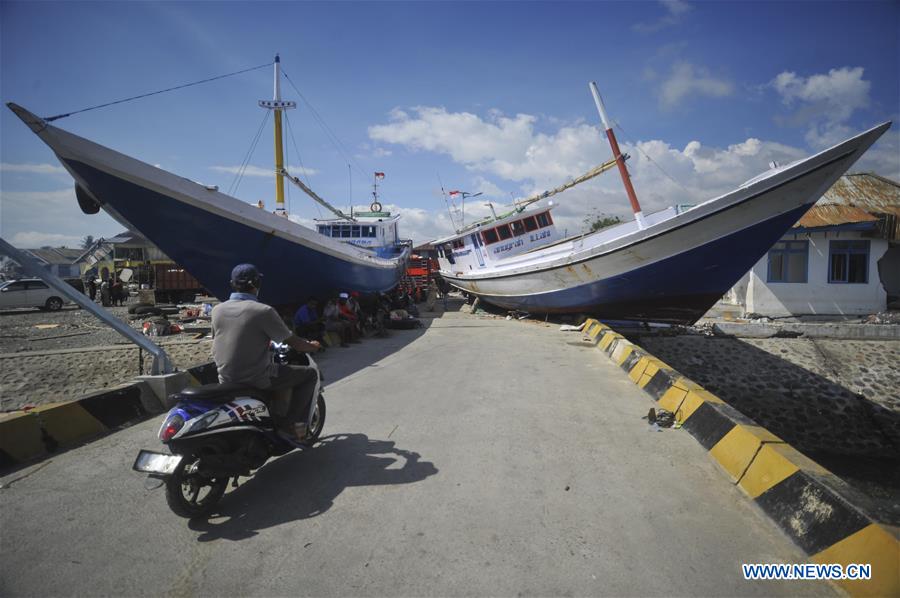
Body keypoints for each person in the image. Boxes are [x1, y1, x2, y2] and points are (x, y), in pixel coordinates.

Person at [211, 264, 321, 441]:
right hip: (256, 378)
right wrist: (312, 346)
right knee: (309, 375)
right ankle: (291, 425)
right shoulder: (263, 311)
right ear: (256, 283)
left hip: (225, 377)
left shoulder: (217, 310)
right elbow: (295, 343)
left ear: (232, 284)